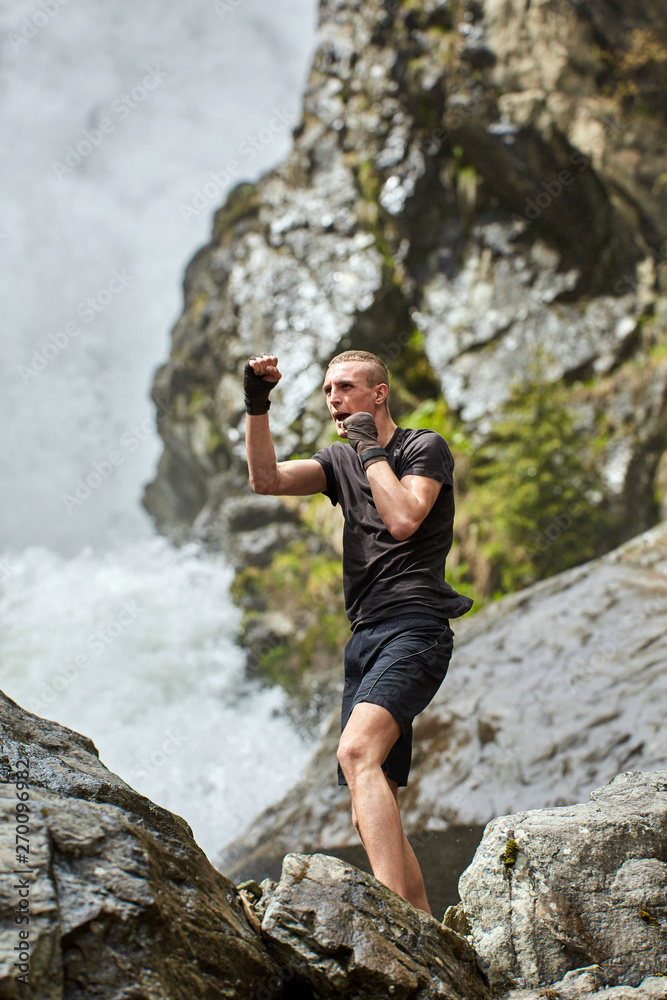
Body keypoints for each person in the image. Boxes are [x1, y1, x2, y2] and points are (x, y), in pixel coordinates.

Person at [243, 349, 472, 914]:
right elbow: (266, 480)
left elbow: (403, 518)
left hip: (416, 627)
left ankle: (396, 923)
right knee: (369, 794)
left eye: (345, 387)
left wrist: (370, 448)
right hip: (364, 637)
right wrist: (256, 403)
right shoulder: (339, 461)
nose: (333, 399)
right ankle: (423, 927)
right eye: (326, 390)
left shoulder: (423, 447)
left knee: (356, 752)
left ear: (378, 393)